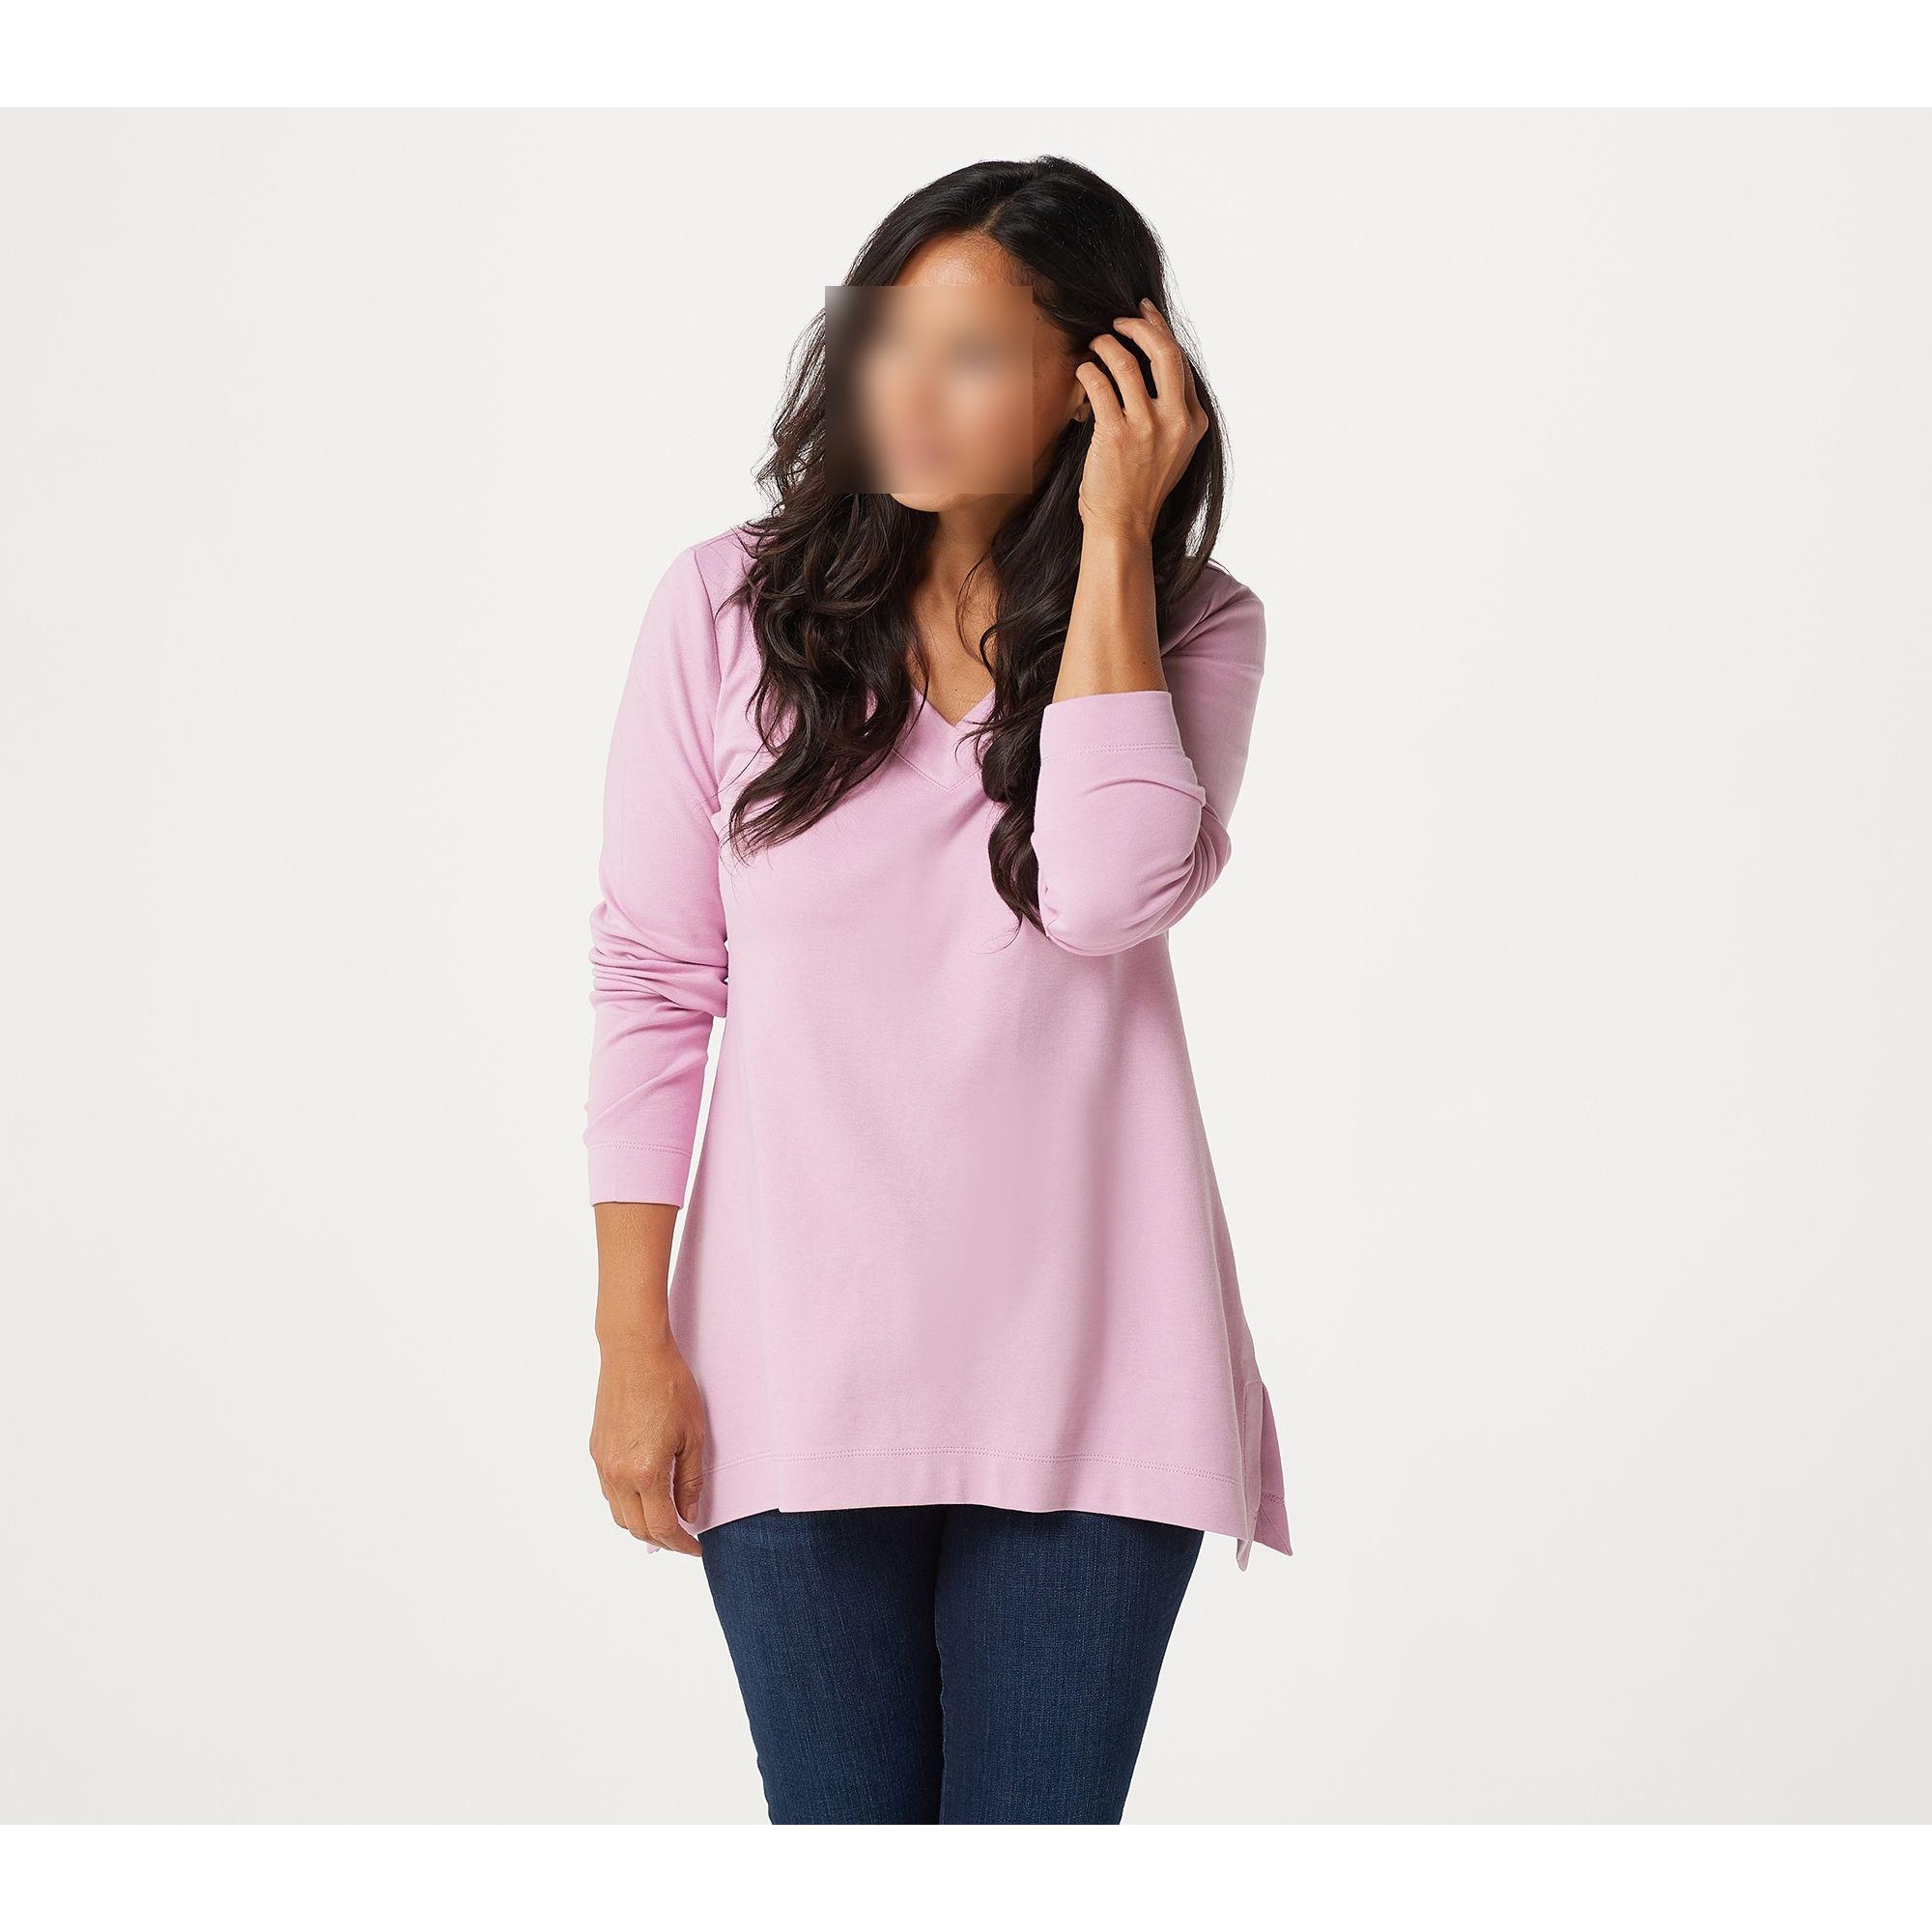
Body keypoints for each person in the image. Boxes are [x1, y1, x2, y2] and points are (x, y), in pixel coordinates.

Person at [583, 156, 1292, 1826]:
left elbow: (1108, 894)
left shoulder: (1194, 623)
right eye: (888, 335)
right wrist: (632, 1341)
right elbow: (654, 977)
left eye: (970, 353)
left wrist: (1112, 540)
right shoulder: (724, 608)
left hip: (1098, 1371)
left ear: (1099, 386)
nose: (905, 389)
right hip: (788, 1366)